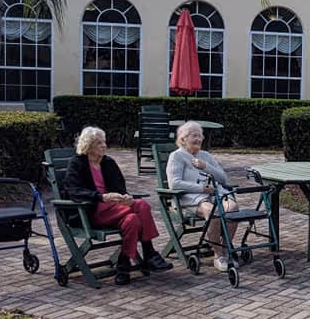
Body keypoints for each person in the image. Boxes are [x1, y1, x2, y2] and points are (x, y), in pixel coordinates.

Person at [65, 126, 173, 285]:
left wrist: (125, 198)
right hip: (91, 211)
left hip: (116, 209)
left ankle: (123, 265)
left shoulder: (108, 162)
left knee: (133, 220)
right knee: (141, 205)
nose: (104, 145)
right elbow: (73, 190)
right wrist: (102, 197)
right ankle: (149, 252)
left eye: (104, 142)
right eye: (98, 143)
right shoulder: (77, 163)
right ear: (88, 145)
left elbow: (120, 187)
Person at [166, 121, 239, 271]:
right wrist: (201, 189)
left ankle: (226, 249)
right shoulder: (177, 156)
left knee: (233, 208)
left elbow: (223, 178)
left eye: (200, 136)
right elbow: (175, 184)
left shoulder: (205, 155)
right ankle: (218, 255)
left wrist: (206, 166)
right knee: (214, 212)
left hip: (215, 193)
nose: (198, 139)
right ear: (183, 139)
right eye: (194, 135)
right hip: (190, 198)